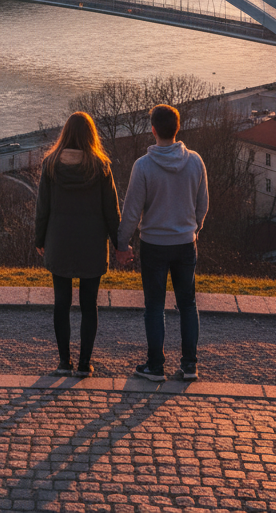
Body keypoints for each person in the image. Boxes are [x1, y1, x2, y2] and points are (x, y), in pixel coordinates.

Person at [116, 103, 208, 382]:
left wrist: (122, 244)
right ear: (177, 129)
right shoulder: (195, 161)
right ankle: (189, 365)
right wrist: (194, 231)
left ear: (153, 130)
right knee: (188, 305)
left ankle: (155, 366)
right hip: (184, 243)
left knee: (154, 306)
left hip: (154, 244)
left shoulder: (143, 166)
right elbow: (202, 205)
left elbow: (132, 211)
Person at [34, 111, 122, 377]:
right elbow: (111, 210)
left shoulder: (50, 165)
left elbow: (42, 208)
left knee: (61, 302)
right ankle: (84, 363)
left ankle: (64, 362)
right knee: (89, 305)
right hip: (92, 243)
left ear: (65, 133)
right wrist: (120, 244)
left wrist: (40, 239)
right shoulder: (101, 167)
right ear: (91, 135)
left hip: (59, 241)